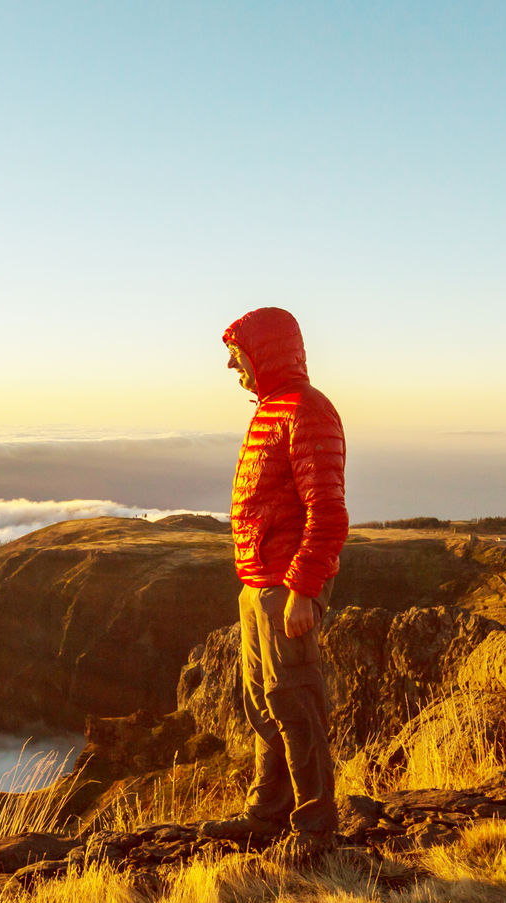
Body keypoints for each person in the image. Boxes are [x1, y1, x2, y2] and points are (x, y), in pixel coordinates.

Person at [199, 306, 348, 860]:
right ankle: (269, 814)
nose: (230, 364)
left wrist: (304, 590)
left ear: (264, 352)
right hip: (258, 583)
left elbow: (327, 511)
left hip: (286, 586)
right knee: (263, 701)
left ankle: (315, 829)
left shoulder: (306, 411)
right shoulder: (274, 409)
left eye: (237, 353)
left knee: (296, 699)